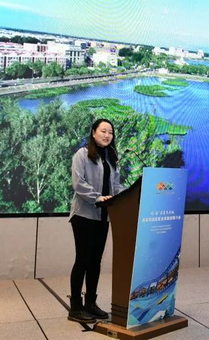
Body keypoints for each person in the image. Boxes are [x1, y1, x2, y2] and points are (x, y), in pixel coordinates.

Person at [68, 118, 124, 323]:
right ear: (93, 132)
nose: (107, 135)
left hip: (103, 216)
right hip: (84, 216)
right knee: (82, 260)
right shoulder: (82, 155)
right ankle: (75, 307)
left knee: (95, 262)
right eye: (103, 131)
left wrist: (129, 194)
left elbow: (115, 186)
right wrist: (97, 198)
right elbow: (78, 183)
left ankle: (91, 303)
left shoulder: (110, 159)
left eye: (110, 132)